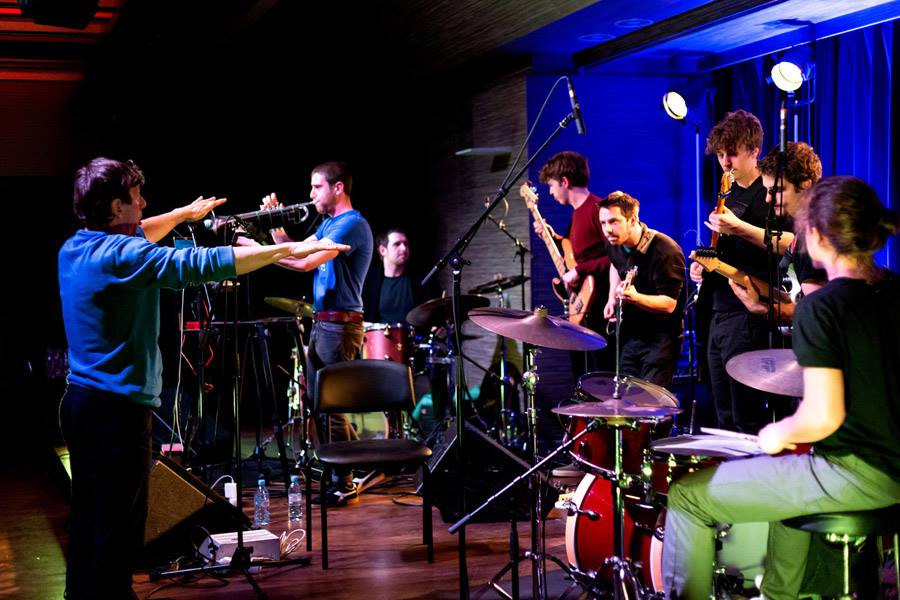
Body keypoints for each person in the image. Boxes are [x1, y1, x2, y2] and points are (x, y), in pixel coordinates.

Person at [58, 157, 350, 600]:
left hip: (82, 405)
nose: (144, 203)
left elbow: (142, 231)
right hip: (114, 415)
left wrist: (181, 215)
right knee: (117, 530)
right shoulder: (124, 256)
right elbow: (201, 263)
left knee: (89, 521)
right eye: (136, 197)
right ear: (116, 207)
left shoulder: (76, 247)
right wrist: (284, 251)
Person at [661, 175, 900, 600]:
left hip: (857, 474)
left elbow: (822, 416)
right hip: (893, 470)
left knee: (686, 497)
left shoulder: (820, 306)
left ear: (817, 235)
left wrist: (775, 434)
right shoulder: (893, 290)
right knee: (788, 486)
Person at [256, 161, 373, 506]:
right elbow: (293, 249)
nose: (310, 194)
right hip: (326, 323)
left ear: (338, 188)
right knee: (318, 402)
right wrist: (274, 224)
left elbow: (303, 262)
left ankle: (343, 481)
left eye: (316, 187)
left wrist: (255, 250)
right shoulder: (329, 224)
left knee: (330, 405)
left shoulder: (351, 225)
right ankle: (360, 460)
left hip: (340, 325)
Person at [689, 109, 781, 432]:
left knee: (746, 416)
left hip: (747, 312)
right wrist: (703, 266)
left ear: (754, 151)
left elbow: (784, 246)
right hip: (717, 310)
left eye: (732, 153)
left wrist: (738, 228)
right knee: (723, 415)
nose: (725, 162)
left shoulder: (769, 193)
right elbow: (725, 250)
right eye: (720, 155)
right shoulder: (728, 190)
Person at [727, 142, 826, 323]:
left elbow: (818, 311)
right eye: (766, 190)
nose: (768, 199)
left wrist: (763, 309)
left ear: (806, 185)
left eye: (777, 190)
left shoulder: (816, 234)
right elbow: (805, 299)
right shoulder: (807, 228)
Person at [598, 191, 685, 388]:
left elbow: (670, 304)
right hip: (632, 334)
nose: (607, 229)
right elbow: (615, 264)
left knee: (650, 401)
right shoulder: (614, 244)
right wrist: (612, 297)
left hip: (661, 338)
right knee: (625, 397)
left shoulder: (665, 250)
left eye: (613, 222)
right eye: (603, 223)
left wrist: (635, 298)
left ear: (632, 219)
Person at [536, 151, 611, 375]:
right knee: (581, 376)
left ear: (565, 182)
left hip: (600, 307)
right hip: (583, 307)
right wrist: (552, 237)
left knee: (601, 375)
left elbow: (616, 258)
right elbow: (579, 254)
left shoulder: (598, 210)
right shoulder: (577, 214)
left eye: (552, 185)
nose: (551, 192)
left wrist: (579, 270)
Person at [362, 228, 436, 325]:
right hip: (380, 334)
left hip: (414, 334)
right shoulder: (368, 282)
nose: (404, 248)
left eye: (406, 244)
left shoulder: (423, 279)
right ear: (382, 250)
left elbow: (434, 312)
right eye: (397, 244)